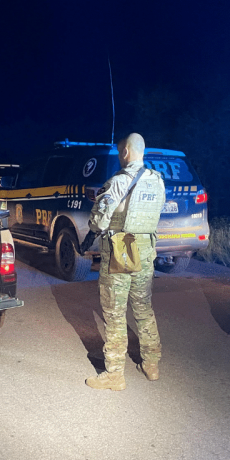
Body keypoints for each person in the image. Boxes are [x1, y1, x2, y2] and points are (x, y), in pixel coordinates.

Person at [85, 132, 166, 391]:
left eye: (122, 152)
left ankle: (114, 374)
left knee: (115, 312)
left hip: (121, 251)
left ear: (127, 152)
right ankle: (151, 365)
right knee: (143, 309)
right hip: (145, 252)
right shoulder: (158, 181)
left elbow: (98, 221)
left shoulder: (119, 181)